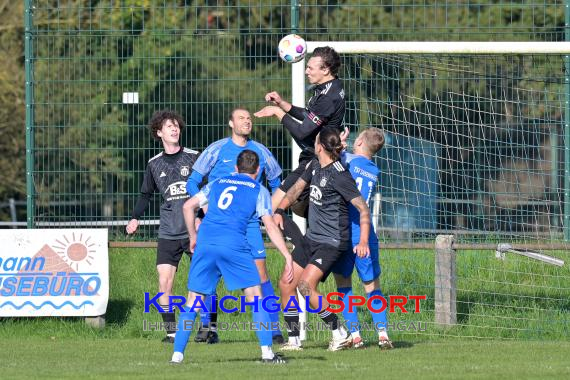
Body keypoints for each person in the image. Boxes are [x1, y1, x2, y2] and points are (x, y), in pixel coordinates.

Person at [171, 150, 294, 364]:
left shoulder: (217, 183)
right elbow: (270, 226)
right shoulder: (259, 189)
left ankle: (177, 356)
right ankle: (267, 353)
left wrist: (193, 237)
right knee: (256, 297)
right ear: (257, 171)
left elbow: (187, 206)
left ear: (236, 168)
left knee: (193, 300)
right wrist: (286, 255)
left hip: (206, 242)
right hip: (234, 244)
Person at [185, 107, 284, 344]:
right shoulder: (217, 149)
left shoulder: (260, 151)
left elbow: (277, 182)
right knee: (210, 273)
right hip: (217, 224)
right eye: (241, 118)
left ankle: (273, 328)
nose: (247, 121)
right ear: (231, 123)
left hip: (248, 224)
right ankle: (208, 327)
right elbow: (192, 182)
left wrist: (276, 209)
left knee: (261, 274)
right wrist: (205, 207)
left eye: (249, 118)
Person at [272, 127, 372, 351]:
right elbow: (296, 189)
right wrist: (279, 210)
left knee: (306, 287)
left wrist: (363, 240)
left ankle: (340, 332)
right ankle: (294, 339)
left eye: (315, 141)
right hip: (311, 239)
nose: (313, 144)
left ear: (320, 146)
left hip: (331, 242)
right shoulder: (314, 165)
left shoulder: (340, 175)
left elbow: (363, 209)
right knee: (286, 284)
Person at [126, 109, 199, 344]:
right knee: (164, 282)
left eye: (176, 125)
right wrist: (135, 217)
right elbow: (145, 195)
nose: (174, 128)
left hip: (193, 232)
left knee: (200, 282)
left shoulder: (194, 158)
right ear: (159, 132)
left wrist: (203, 220)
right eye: (169, 126)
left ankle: (207, 328)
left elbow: (207, 193)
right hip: (168, 232)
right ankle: (171, 331)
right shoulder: (154, 164)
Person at [254, 46, 345, 217]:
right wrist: (282, 104)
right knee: (296, 207)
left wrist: (277, 113)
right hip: (316, 155)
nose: (306, 71)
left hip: (318, 157)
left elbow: (302, 132)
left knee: (275, 207)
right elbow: (310, 116)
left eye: (310, 68)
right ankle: (304, 242)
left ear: (325, 70)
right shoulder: (330, 87)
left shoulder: (328, 97)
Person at [331, 127, 394, 350]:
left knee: (343, 284)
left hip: (344, 232)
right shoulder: (374, 170)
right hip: (366, 234)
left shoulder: (347, 161)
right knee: (371, 285)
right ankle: (383, 333)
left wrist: (339, 142)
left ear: (358, 142)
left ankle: (355, 335)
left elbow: (331, 154)